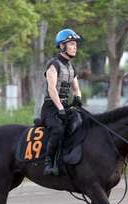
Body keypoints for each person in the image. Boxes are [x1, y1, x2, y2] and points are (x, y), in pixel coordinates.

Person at [40, 28, 83, 176]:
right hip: (51, 107)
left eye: (75, 44)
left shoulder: (71, 68)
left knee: (80, 122)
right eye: (71, 44)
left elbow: (76, 89)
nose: (75, 46)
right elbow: (52, 89)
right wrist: (60, 108)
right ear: (62, 46)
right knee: (58, 129)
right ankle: (49, 162)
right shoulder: (54, 64)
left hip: (64, 106)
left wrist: (77, 100)